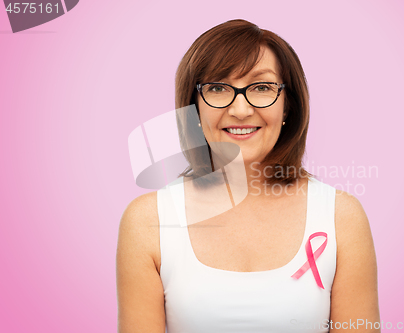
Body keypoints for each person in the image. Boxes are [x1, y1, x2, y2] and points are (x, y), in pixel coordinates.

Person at [116, 19, 380, 333]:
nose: (240, 110)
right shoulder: (148, 221)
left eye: (262, 87)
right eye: (216, 87)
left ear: (288, 106)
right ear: (194, 107)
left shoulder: (341, 217)